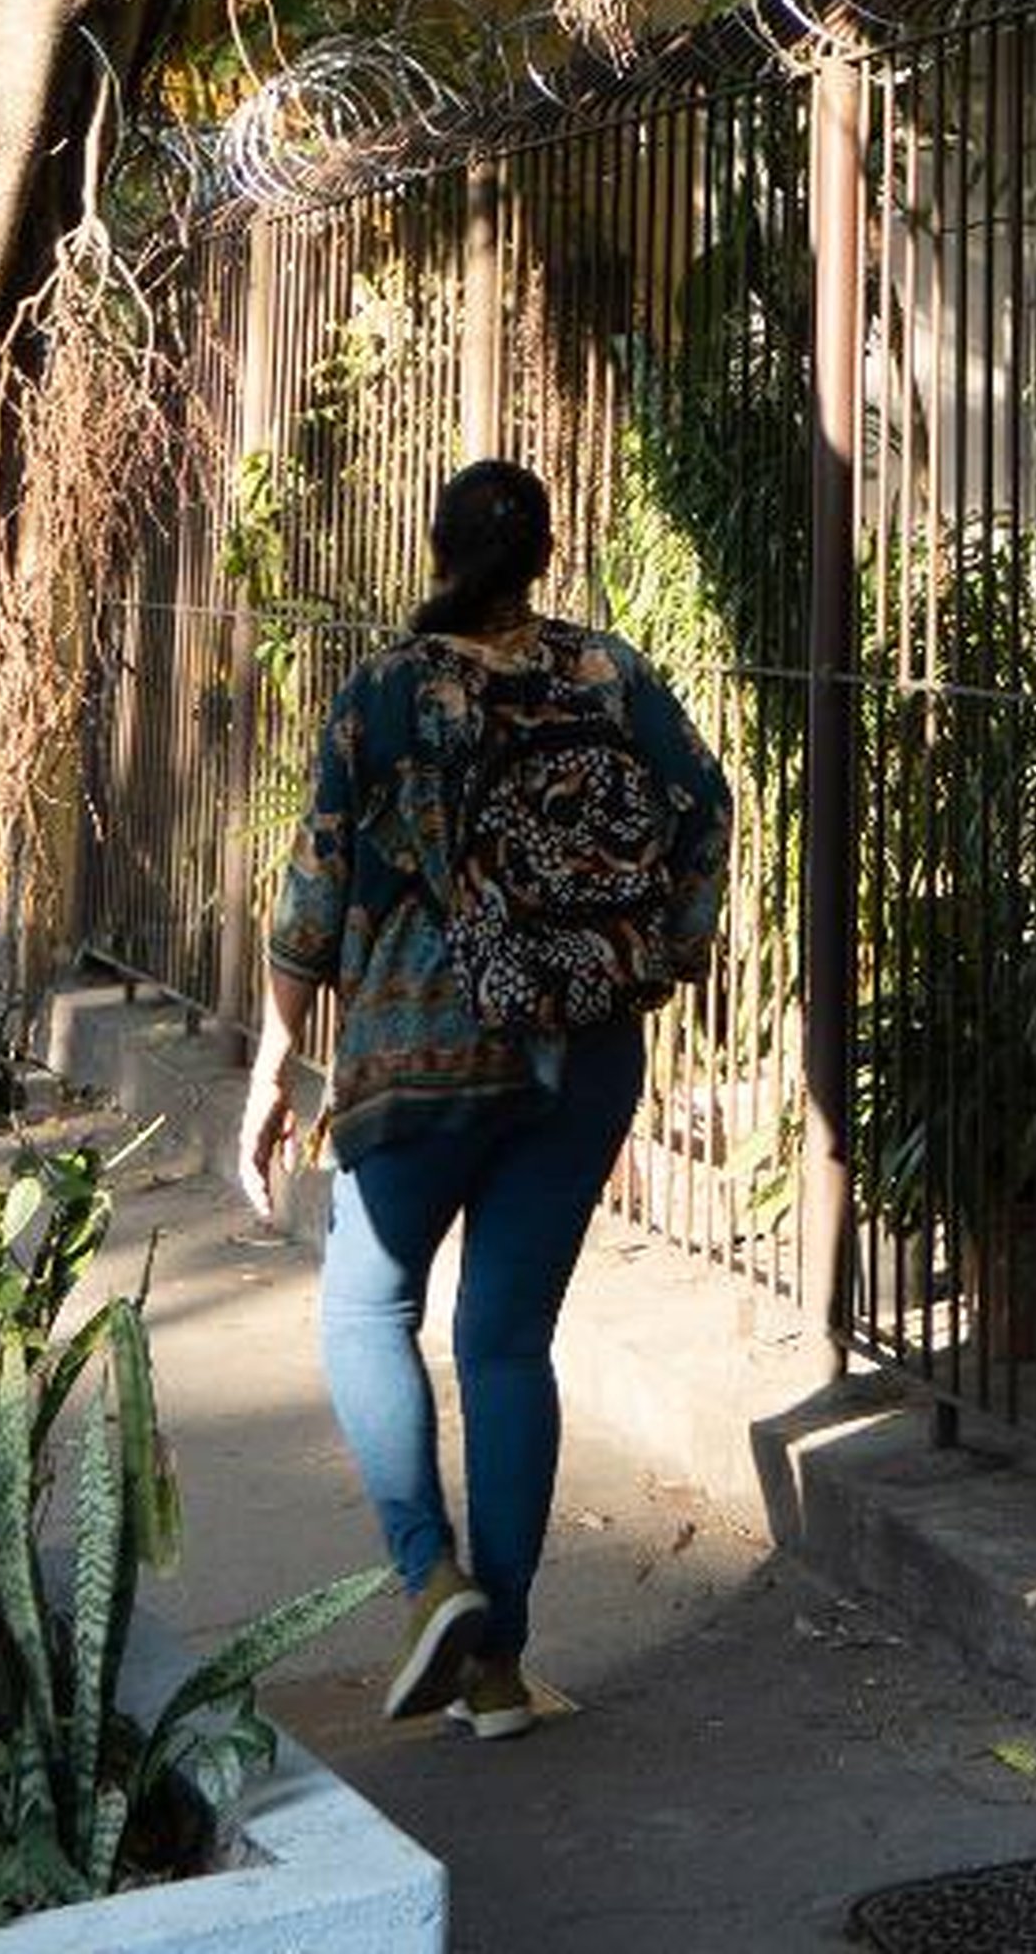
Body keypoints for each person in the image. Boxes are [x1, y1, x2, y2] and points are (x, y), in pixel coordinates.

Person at [238, 455, 731, 1742]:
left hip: (426, 1052)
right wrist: (660, 955)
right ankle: (498, 1667)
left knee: (366, 1307)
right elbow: (706, 805)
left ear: (440, 552)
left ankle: (430, 1582)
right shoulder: (611, 675)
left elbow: (315, 887)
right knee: (507, 1344)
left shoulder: (389, 693)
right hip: (588, 1050)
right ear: (545, 556)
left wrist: (274, 1060)